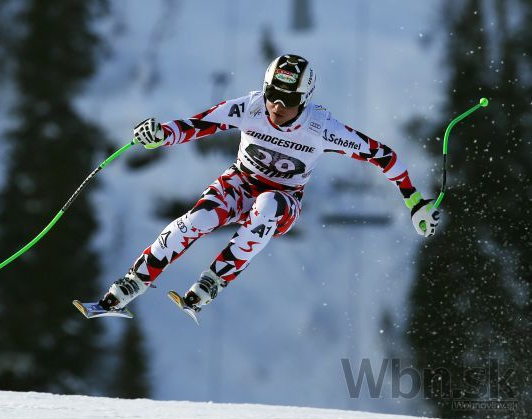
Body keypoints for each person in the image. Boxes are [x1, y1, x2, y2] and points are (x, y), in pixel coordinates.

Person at [97, 54, 440, 315]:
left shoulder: (322, 128)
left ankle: (216, 278)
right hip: (240, 182)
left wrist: (414, 201)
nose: (277, 105)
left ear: (304, 100)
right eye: (273, 94)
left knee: (266, 206)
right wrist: (160, 135)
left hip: (283, 200)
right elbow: (197, 124)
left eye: (288, 100)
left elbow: (384, 156)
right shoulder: (251, 106)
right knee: (197, 221)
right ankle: (135, 280)